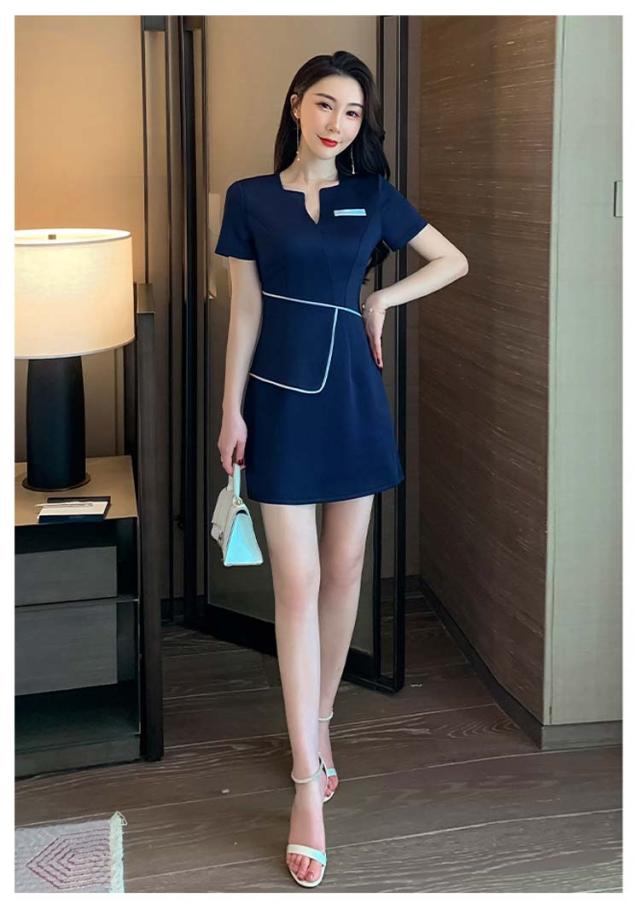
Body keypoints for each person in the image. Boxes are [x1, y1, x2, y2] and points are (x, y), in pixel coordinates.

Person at [214, 49, 468, 888]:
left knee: (346, 567)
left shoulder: (374, 196)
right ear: (296, 104)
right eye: (325, 104)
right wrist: (230, 409)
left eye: (352, 112)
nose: (337, 123)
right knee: (297, 582)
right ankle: (304, 785)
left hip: (353, 397)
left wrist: (381, 298)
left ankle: (321, 722)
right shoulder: (250, 197)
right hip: (279, 403)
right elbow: (246, 308)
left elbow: (452, 259)